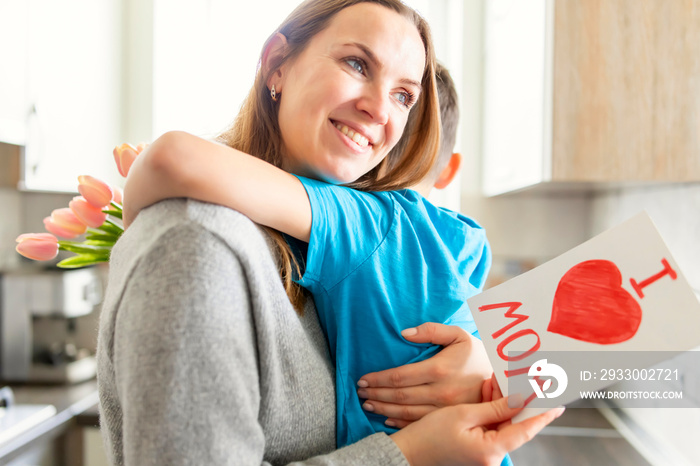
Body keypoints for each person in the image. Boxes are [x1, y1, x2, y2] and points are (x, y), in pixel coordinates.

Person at [97, 1, 563, 465]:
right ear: (276, 64)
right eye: (357, 63)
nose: (380, 109)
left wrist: (480, 370)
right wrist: (411, 453)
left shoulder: (348, 240)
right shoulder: (196, 244)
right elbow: (171, 159)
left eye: (404, 95)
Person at [120, 62, 499, 448]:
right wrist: (491, 369)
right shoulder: (471, 242)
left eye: (401, 96)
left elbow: (176, 157)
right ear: (449, 169)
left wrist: (131, 225)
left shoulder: (367, 218)